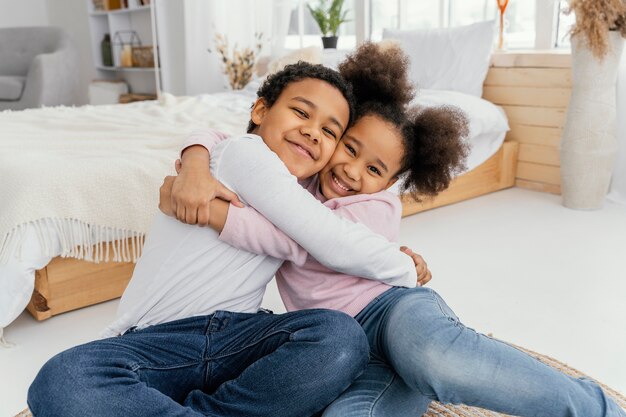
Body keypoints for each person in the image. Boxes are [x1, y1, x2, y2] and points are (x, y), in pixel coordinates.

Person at [165, 43, 626, 417]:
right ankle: (413, 374)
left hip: (393, 312)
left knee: (432, 357)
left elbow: (303, 242)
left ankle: (596, 407)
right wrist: (195, 160)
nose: (352, 170)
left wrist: (216, 214)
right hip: (343, 347)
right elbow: (228, 139)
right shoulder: (297, 178)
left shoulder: (377, 206)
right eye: (349, 147)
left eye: (375, 168)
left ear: (390, 184)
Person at [27, 62, 424, 417]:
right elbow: (330, 240)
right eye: (301, 112)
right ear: (260, 110)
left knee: (340, 337)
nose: (311, 131)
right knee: (61, 380)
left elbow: (332, 234)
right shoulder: (245, 154)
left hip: (236, 337)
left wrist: (196, 156)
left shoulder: (302, 192)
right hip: (155, 343)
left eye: (329, 132)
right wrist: (403, 265)